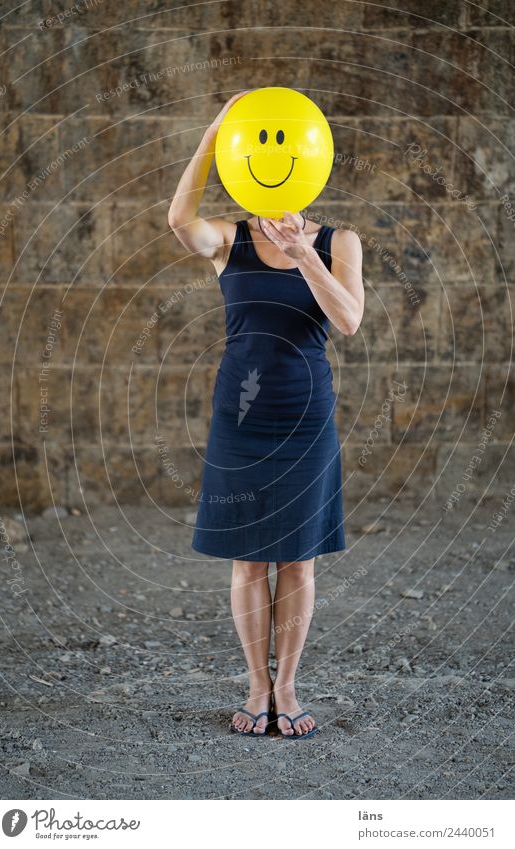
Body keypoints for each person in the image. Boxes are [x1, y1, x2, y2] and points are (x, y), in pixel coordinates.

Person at [168, 91, 364, 738]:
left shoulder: (340, 242)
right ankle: (256, 686)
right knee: (249, 561)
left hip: (307, 420)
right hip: (240, 417)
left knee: (298, 561)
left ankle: (288, 686)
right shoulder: (229, 238)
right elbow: (177, 220)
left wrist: (305, 253)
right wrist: (213, 132)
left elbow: (348, 319)